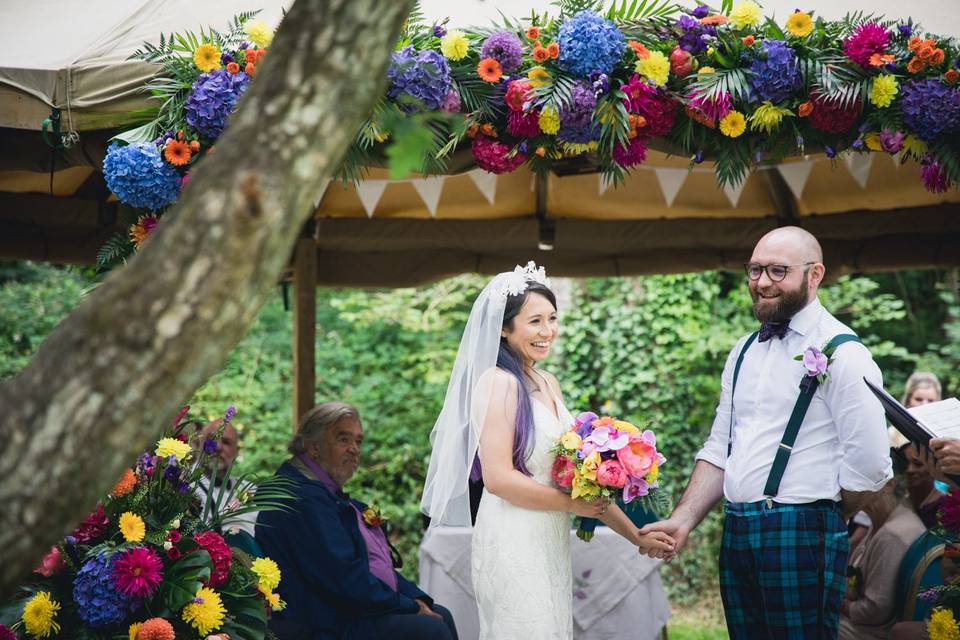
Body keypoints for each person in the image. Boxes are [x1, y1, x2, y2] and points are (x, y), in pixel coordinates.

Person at [640, 226, 893, 638]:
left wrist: (819, 515)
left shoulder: (845, 354)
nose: (761, 282)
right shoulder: (743, 351)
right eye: (755, 270)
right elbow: (722, 445)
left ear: (815, 275)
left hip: (803, 532)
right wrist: (683, 519)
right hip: (738, 529)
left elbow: (870, 466)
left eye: (778, 271)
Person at [420, 261, 674, 640]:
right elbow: (499, 479)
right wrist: (573, 505)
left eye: (552, 318)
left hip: (549, 535)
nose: (547, 331)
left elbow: (582, 485)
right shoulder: (498, 383)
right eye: (534, 321)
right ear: (504, 328)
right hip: (512, 536)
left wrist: (635, 535)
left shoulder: (546, 380)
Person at [256, 402, 458, 640]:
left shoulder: (321, 491)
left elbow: (368, 568)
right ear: (313, 447)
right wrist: (408, 606)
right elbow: (343, 577)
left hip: (343, 608)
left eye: (358, 441)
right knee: (431, 629)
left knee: (439, 613)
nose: (354, 449)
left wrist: (416, 599)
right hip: (319, 622)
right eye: (343, 439)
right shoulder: (301, 496)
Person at [839, 462, 926, 638]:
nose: (848, 485)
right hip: (860, 621)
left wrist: (840, 604)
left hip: (872, 632)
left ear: (889, 484)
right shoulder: (881, 520)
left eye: (860, 477)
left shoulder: (892, 534)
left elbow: (875, 610)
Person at [193, 417, 258, 537]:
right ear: (198, 444)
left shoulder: (250, 490)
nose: (218, 447)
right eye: (212, 438)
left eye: (226, 442)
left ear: (236, 452)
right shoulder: (182, 487)